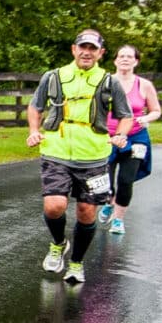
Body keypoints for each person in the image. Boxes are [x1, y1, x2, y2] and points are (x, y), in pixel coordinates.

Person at [26, 30, 130, 286]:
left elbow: (125, 115)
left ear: (100, 53)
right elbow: (35, 106)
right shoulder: (54, 77)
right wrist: (34, 131)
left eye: (92, 48)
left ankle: (76, 263)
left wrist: (121, 135)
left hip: (94, 157)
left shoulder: (109, 81)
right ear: (73, 49)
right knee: (54, 206)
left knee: (86, 212)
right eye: (82, 47)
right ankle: (58, 244)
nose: (86, 52)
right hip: (55, 151)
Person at [100, 45, 160, 236]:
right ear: (115, 60)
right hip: (108, 137)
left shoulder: (144, 85)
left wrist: (146, 118)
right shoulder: (104, 82)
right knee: (104, 181)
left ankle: (118, 220)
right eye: (121, 56)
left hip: (135, 137)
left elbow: (156, 110)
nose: (125, 59)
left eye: (129, 56)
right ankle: (109, 202)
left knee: (126, 180)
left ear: (136, 61)